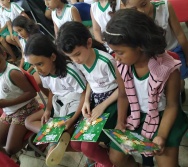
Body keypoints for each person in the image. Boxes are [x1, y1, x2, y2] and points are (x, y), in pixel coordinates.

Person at [103, 9, 188, 167]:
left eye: (120, 52)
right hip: (136, 114)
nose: (116, 57)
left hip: (163, 116)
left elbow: (172, 106)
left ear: (140, 46)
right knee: (116, 158)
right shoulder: (121, 65)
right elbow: (123, 95)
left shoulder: (168, 70)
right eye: (114, 52)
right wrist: (120, 122)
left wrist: (161, 136)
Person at [57, 21, 121, 167]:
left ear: (89, 43)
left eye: (77, 54)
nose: (75, 60)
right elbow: (90, 81)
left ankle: (111, 164)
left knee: (87, 147)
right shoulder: (80, 62)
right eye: (71, 57)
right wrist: (86, 101)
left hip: (112, 102)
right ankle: (102, 158)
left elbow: (123, 89)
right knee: (75, 143)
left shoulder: (106, 62)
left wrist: (102, 106)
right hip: (95, 100)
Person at [24, 33, 87, 166]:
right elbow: (52, 91)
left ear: (53, 57)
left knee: (64, 130)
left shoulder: (69, 71)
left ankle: (54, 141)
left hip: (74, 104)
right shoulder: (44, 73)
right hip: (58, 103)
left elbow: (84, 94)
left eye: (40, 64)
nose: (37, 69)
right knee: (28, 121)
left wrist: (73, 119)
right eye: (33, 65)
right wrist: (47, 109)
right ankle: (56, 137)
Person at [121, 0, 188, 104]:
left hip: (173, 51)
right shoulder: (127, 18)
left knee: (177, 84)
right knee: (159, 88)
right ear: (123, 6)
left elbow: (179, 34)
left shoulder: (165, 6)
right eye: (134, 9)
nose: (141, 11)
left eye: (144, 4)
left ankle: (180, 92)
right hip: (151, 57)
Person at [0, 46, 39, 156]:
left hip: (26, 108)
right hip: (9, 110)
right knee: (1, 142)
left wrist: (7, 103)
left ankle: (36, 140)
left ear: (4, 54)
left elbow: (32, 93)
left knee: (10, 150)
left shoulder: (12, 73)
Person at [12, 15, 49, 97]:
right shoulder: (22, 40)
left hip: (37, 63)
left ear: (27, 27)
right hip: (27, 64)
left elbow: (39, 58)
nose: (19, 34)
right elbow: (23, 54)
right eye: (17, 32)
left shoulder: (36, 38)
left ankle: (51, 99)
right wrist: (20, 67)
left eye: (20, 30)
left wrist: (28, 71)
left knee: (38, 82)